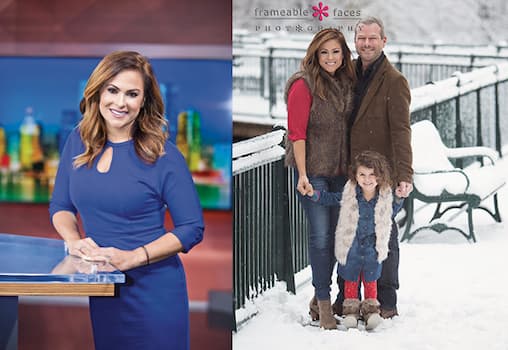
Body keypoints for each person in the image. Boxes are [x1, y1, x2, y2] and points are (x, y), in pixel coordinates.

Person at [49, 51, 204, 350]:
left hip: (155, 292)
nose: (120, 103)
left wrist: (132, 257)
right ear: (98, 91)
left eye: (132, 94)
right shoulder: (77, 141)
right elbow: (61, 206)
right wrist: (74, 240)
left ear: (144, 101)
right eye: (113, 90)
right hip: (105, 289)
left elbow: (191, 228)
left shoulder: (164, 156)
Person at [332, 16, 413, 319]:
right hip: (351, 170)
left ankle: (387, 300)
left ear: (383, 41)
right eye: (361, 38)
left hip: (380, 173)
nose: (366, 43)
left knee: (385, 235)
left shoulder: (394, 81)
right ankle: (346, 296)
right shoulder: (349, 72)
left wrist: (404, 174)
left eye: (372, 38)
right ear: (356, 41)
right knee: (349, 231)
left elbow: (401, 131)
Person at [284, 28, 356, 329]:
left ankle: (330, 297)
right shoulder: (304, 85)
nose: (330, 57)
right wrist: (302, 174)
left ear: (343, 54)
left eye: (335, 52)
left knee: (343, 238)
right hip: (312, 173)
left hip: (342, 173)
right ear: (315, 53)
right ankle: (324, 303)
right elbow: (297, 134)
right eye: (324, 52)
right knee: (321, 238)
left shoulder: (348, 82)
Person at [307, 151, 404, 330]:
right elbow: (331, 199)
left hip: (372, 249)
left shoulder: (383, 197)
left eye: (372, 175)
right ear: (356, 175)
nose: (367, 179)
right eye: (362, 175)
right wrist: (315, 194)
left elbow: (391, 212)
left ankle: (370, 311)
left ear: (380, 176)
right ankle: (351, 311)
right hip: (351, 248)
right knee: (351, 279)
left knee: (370, 279)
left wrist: (399, 197)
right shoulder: (350, 194)